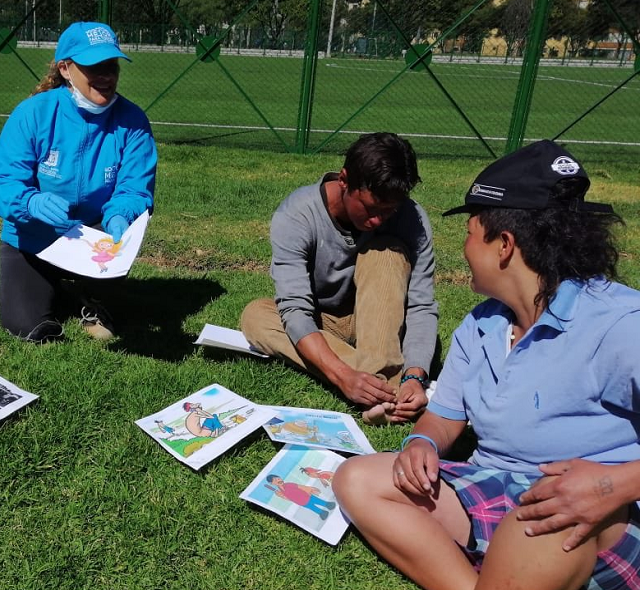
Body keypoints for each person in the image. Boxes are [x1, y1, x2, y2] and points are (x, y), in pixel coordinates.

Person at [333, 140, 640, 590]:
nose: (464, 247)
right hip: (496, 485)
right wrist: (422, 442)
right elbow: (445, 414)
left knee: (538, 523)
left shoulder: (619, 324)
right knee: (357, 479)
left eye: (470, 233)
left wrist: (610, 487)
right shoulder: (483, 323)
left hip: (592, 511)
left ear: (505, 246)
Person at [239, 132, 436, 424]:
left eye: (388, 210)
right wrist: (342, 376)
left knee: (385, 251)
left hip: (382, 317)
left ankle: (384, 389)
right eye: (370, 208)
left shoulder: (411, 217)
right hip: (321, 321)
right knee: (255, 315)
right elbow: (295, 309)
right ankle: (383, 389)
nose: (377, 221)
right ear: (344, 179)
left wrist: (415, 375)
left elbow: (420, 305)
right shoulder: (297, 215)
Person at [0, 21, 158, 343]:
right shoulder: (32, 113)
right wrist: (30, 202)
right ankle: (59, 288)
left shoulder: (133, 120)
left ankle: (92, 299)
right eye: (94, 67)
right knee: (25, 325)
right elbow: (2, 185)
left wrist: (121, 214)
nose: (106, 76)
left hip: (96, 237)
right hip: (33, 235)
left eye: (111, 66)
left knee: (113, 309)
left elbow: (135, 187)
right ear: (66, 69)